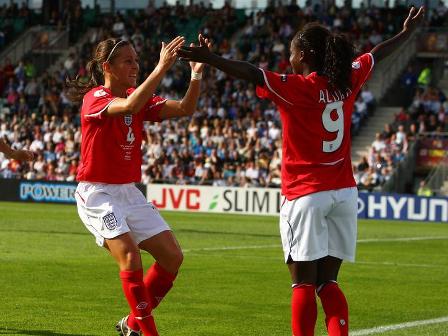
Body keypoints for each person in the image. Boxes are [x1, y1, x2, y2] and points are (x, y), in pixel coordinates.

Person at [178, 7, 425, 336]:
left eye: (292, 53)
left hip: (305, 194)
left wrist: (212, 60)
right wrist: (406, 33)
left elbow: (253, 73)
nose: (288, 59)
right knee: (328, 283)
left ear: (305, 55)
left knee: (303, 285)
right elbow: (376, 54)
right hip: (344, 194)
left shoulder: (297, 87)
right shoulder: (347, 78)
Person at [66, 35, 210, 336]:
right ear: (107, 67)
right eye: (127, 61)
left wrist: (196, 72)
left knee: (172, 257)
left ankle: (132, 324)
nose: (135, 66)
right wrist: (161, 67)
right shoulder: (96, 98)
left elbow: (185, 108)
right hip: (98, 193)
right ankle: (148, 332)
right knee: (130, 255)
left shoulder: (138, 96)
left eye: (136, 60)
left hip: (128, 191)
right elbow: (130, 105)